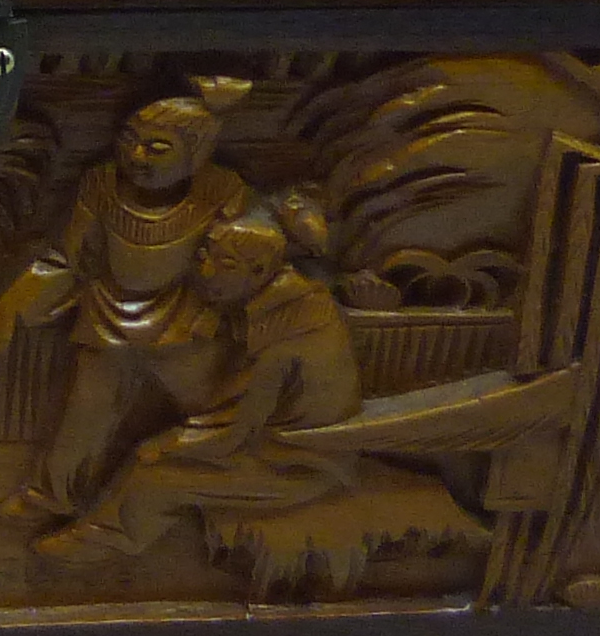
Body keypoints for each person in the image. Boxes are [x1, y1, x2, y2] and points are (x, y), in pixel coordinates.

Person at [0, 83, 253, 526]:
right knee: (84, 415)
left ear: (196, 154)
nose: (137, 157)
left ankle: (234, 493)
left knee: (215, 411)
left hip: (186, 318)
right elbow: (70, 259)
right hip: (107, 314)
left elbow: (246, 257)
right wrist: (7, 312)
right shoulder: (100, 185)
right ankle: (51, 497)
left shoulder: (220, 191)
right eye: (128, 142)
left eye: (157, 148)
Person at [35, 197, 366, 562]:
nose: (205, 271)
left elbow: (235, 429)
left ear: (258, 271)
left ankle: (100, 544)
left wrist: (168, 443)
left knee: (153, 478)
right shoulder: (280, 301)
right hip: (272, 438)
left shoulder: (287, 332)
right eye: (205, 256)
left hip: (294, 463)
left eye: (224, 264)